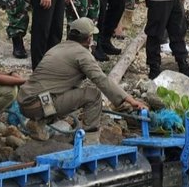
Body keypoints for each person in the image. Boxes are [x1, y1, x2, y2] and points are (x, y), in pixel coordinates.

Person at [17, 18, 147, 143]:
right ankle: (89, 138)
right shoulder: (81, 54)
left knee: (72, 90)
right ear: (89, 38)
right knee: (93, 95)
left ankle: (39, 122)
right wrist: (130, 100)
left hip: (26, 103)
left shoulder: (58, 48)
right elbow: (101, 80)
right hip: (38, 105)